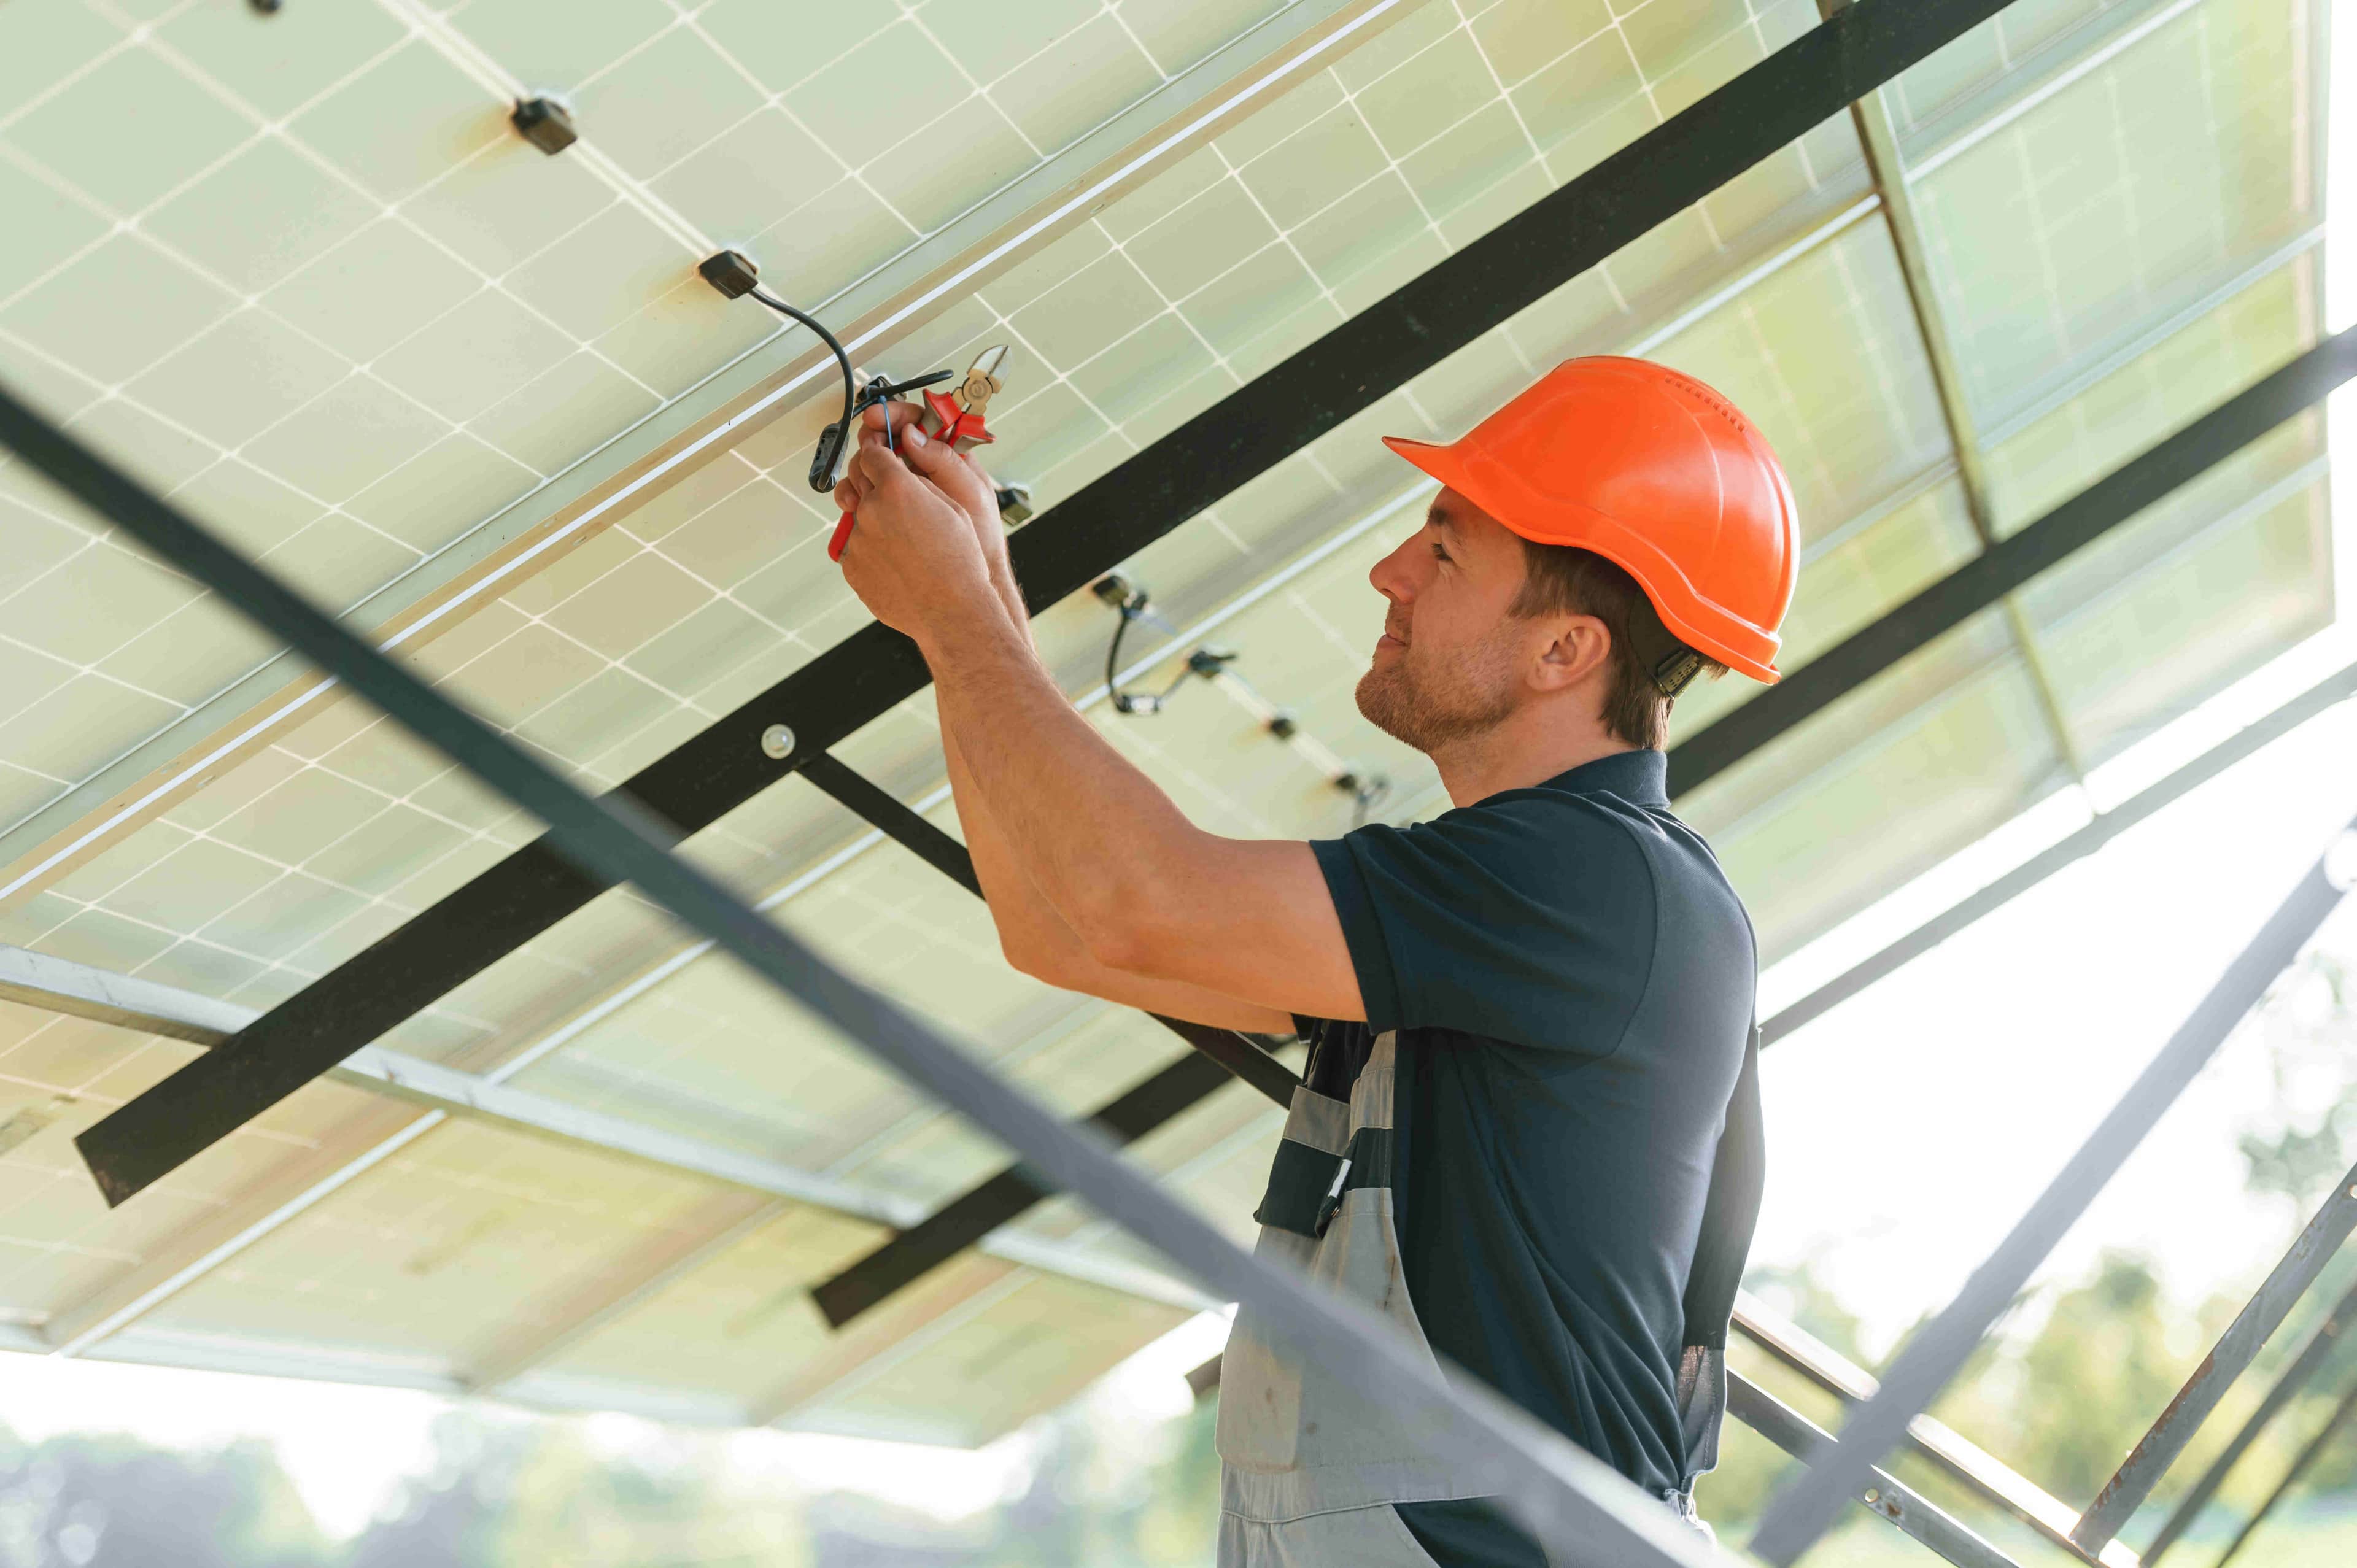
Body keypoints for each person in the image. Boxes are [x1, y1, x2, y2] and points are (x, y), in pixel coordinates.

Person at [829, 358, 1797, 1565]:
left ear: (1565, 651)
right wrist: (968, 597)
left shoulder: (1596, 887)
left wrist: (960, 618)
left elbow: (1134, 906)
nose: (1389, 571)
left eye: (1444, 553)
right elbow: (1066, 928)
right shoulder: (1501, 897)